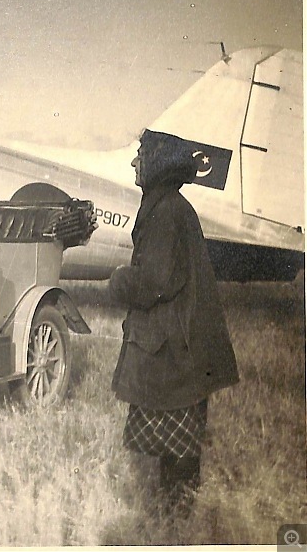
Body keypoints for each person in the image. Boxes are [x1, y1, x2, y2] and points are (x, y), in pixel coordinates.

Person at [109, 130, 239, 517]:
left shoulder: (165, 211)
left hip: (176, 350)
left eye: (141, 156)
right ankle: (177, 515)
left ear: (158, 164)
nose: (134, 163)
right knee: (177, 443)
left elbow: (155, 281)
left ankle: (177, 519)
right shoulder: (170, 205)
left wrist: (119, 280)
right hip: (182, 347)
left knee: (177, 446)